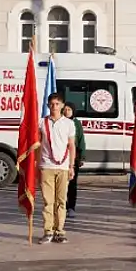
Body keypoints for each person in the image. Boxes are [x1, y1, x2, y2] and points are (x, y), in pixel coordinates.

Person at [37, 93, 76, 244]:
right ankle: (48, 231)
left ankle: (59, 230)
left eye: (57, 104)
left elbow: (71, 145)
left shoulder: (69, 124)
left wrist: (71, 166)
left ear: (62, 106)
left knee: (61, 200)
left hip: (64, 166)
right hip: (46, 166)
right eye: (52, 104)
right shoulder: (42, 123)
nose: (54, 107)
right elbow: (35, 143)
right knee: (48, 201)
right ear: (48, 106)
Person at [63, 102, 86, 219]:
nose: (67, 111)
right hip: (61, 157)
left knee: (72, 184)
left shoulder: (76, 124)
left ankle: (71, 207)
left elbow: (81, 140)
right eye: (65, 109)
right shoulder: (60, 123)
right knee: (62, 185)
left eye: (69, 110)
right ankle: (62, 207)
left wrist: (81, 157)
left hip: (73, 157)